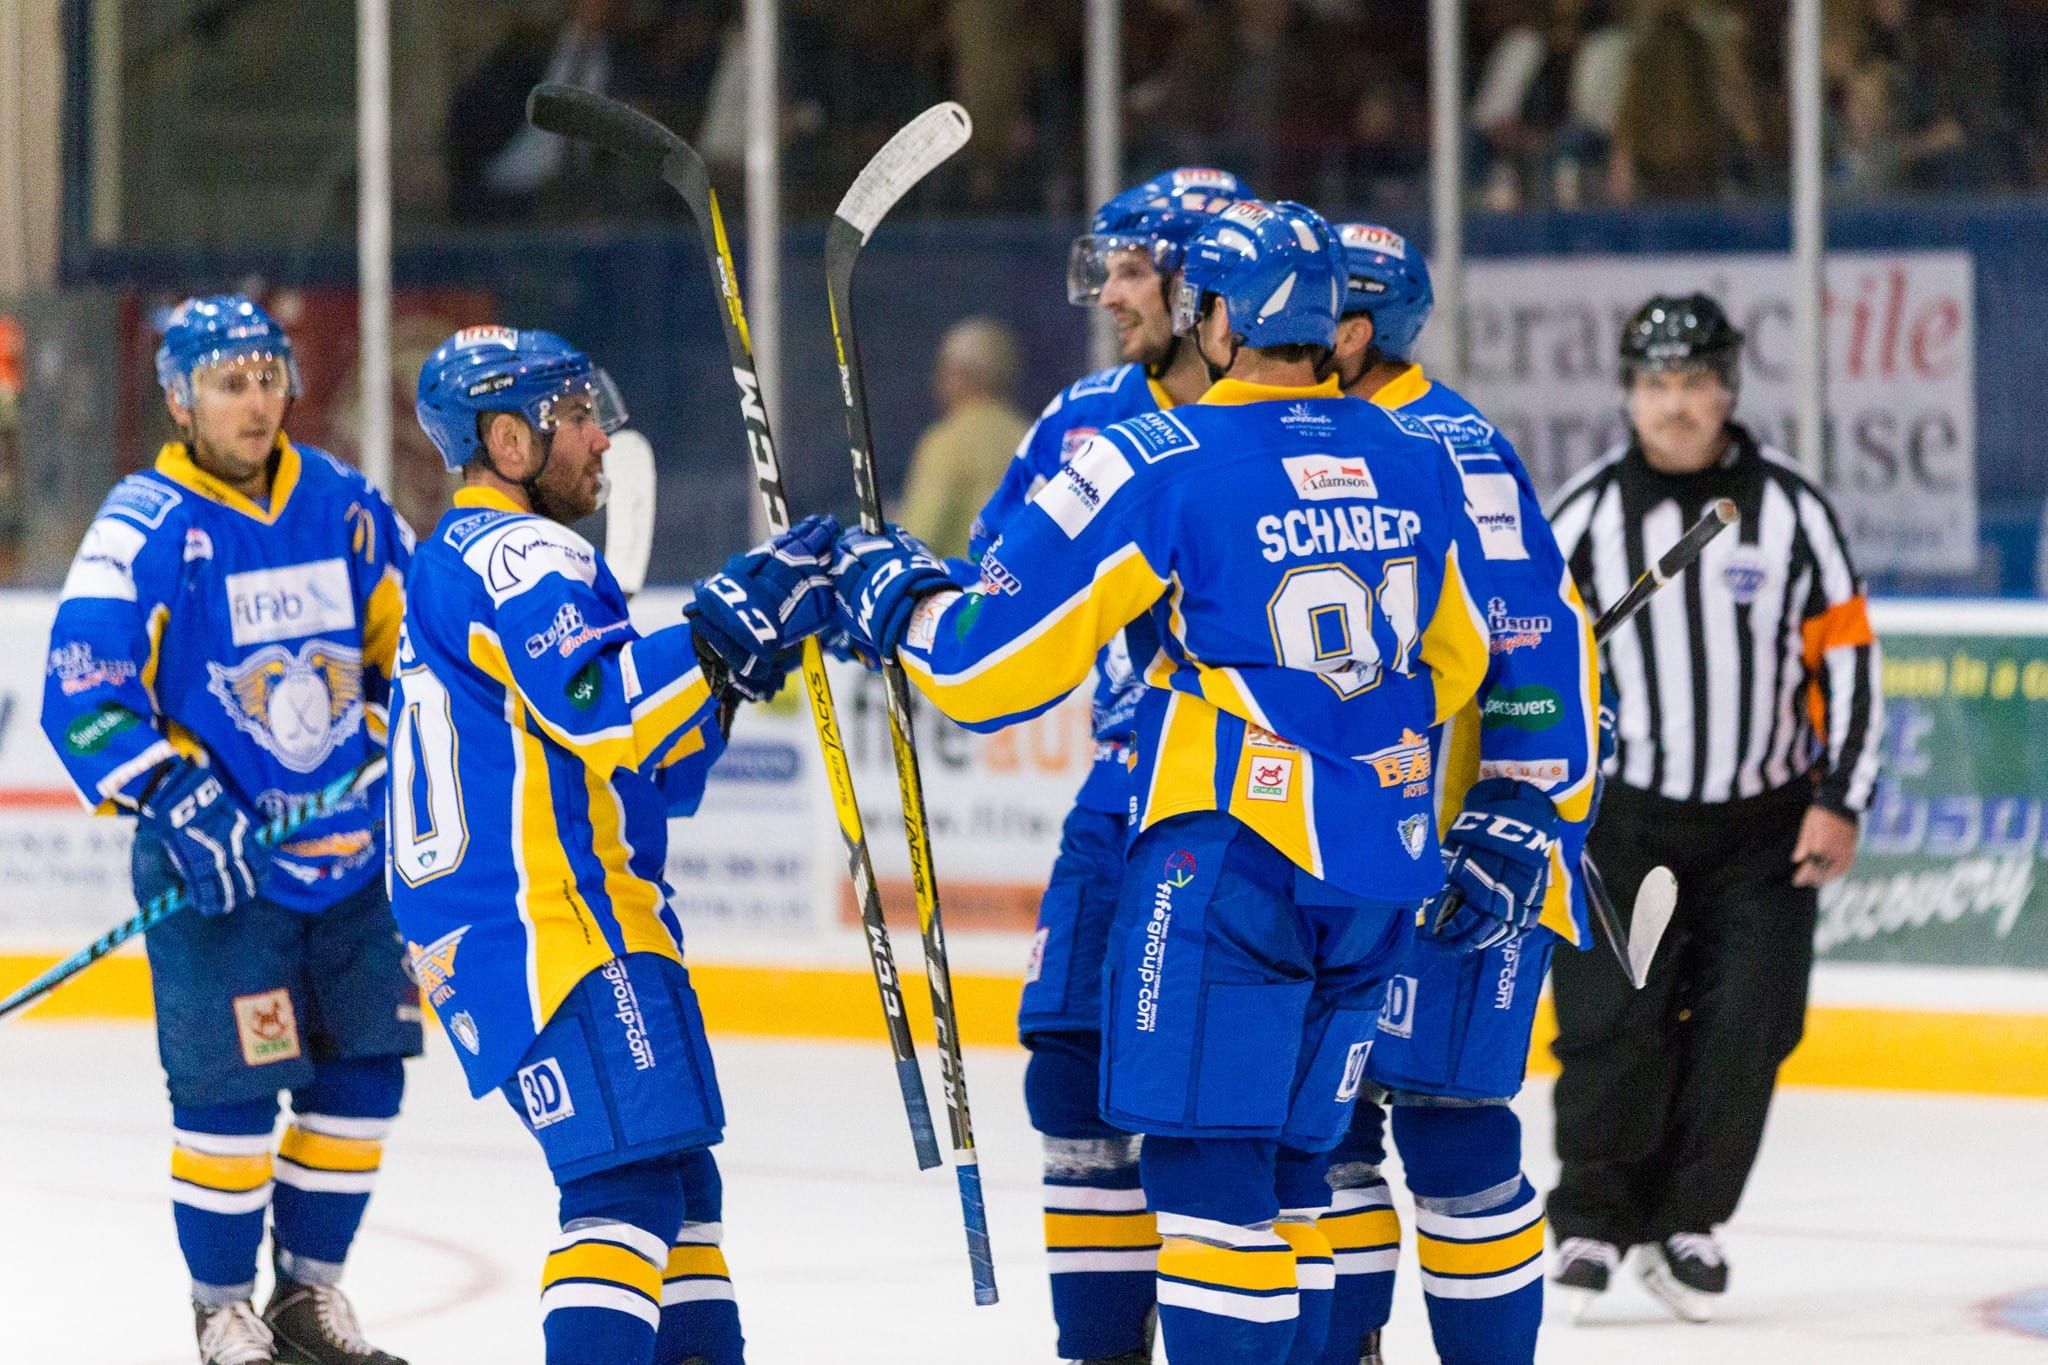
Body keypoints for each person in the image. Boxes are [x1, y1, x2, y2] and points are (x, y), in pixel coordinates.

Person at [829, 199, 1561, 1365]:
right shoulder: (1415, 457)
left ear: (1216, 317)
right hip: (1374, 866)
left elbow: (984, 668)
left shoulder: (1158, 457)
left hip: (1230, 859)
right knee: (1294, 1172)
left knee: (1208, 1178)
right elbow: (1464, 656)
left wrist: (893, 602)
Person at [393, 325, 836, 1365]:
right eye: (576, 416)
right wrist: (723, 628)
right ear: (508, 441)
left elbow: (649, 771)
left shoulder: (470, 558)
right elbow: (604, 709)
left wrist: (726, 669)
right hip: (549, 925)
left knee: (677, 1186)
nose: (601, 437)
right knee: (626, 1188)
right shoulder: (519, 552)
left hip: (542, 924)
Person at [40, 294, 419, 1365]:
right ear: (178, 399)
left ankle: (307, 1296)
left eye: (267, 379)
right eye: (227, 384)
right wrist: (173, 793)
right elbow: (84, 690)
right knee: (229, 1104)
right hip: (222, 875)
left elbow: (416, 648)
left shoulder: (344, 504)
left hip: (351, 868)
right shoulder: (143, 527)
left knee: (363, 1085)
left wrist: (388, 732)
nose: (255, 403)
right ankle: (222, 1309)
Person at [1543, 293, 1883, 1322]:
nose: (1675, 403)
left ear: (1727, 388)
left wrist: (1840, 797)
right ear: (1627, 394)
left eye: (1693, 381)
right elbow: (1537, 665)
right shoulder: (1583, 515)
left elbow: (1849, 661)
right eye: (1655, 383)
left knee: (1749, 1026)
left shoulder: (1793, 511)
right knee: (1614, 1025)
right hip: (1624, 826)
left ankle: (1686, 1218)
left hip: (1763, 831)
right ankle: (1592, 1219)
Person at [969, 165, 1248, 1365]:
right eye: (1109, 270)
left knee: (1258, 1122)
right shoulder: (1081, 418)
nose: (1110, 296)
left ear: (1198, 288)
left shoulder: (1296, 415)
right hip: (1123, 791)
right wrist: (907, 600)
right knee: (1070, 1082)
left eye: (1135, 271)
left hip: (1257, 811)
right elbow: (996, 577)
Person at [1312, 224, 1600, 1365]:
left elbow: (1532, 632)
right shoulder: (1318, 432)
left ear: (1353, 329)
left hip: (1457, 849)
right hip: (1349, 847)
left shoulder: (1450, 446)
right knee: (1325, 1129)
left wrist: (1518, 812)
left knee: (1450, 1126)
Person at [893, 317, 1030, 559]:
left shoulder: (946, 442)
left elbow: (920, 535)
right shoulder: (1030, 435)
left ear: (961, 374)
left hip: (961, 579)